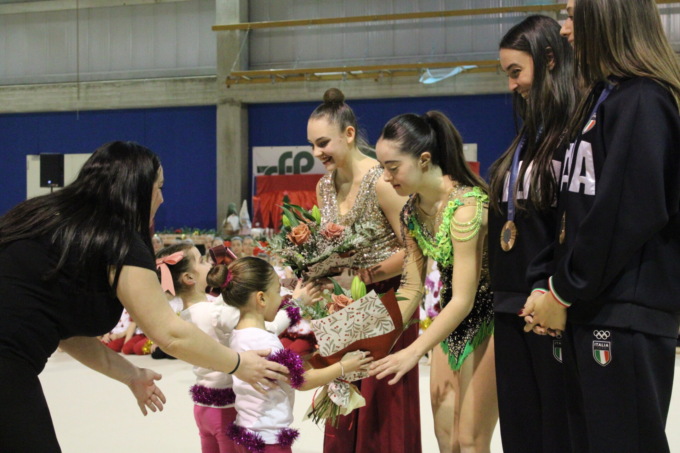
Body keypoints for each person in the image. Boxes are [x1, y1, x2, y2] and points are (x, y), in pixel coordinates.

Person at [0, 141, 289, 452]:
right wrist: (238, 363)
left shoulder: (46, 218)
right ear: (135, 189)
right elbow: (170, 333)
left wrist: (131, 375)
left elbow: (66, 333)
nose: (162, 198)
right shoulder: (118, 239)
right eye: (158, 187)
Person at [522, 1, 680, 451]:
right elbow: (574, 212)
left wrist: (563, 289)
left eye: (572, 14)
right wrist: (547, 280)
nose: (564, 28)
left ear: (606, 16)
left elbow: (625, 214)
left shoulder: (644, 99)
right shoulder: (601, 98)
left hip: (625, 311)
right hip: (591, 306)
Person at [370, 111, 498, 452]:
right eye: (382, 167)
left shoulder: (466, 207)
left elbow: (465, 299)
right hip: (449, 322)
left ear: (424, 160)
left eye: (392, 167)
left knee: (470, 442)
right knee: (446, 440)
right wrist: (366, 333)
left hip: (490, 322)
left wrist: (413, 351)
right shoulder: (411, 212)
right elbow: (411, 289)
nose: (386, 177)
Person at [307, 88, 420, 453]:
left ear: (349, 134)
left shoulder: (382, 181)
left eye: (323, 143)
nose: (316, 153)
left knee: (382, 405)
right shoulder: (324, 187)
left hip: (390, 303)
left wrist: (371, 272)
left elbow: (418, 249)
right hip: (344, 306)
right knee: (344, 396)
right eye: (312, 145)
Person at [488, 15, 576, 453]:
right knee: (520, 436)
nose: (511, 85)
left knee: (557, 435)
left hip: (549, 308)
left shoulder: (577, 133)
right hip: (509, 307)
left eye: (516, 71)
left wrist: (555, 290)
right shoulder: (528, 136)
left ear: (550, 60)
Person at [155, 244, 319, 453]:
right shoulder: (214, 313)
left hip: (203, 408)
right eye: (202, 261)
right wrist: (296, 303)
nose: (210, 263)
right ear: (189, 278)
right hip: (225, 409)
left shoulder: (188, 313)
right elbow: (264, 328)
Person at [206, 257, 373, 453]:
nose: (281, 298)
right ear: (261, 298)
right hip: (269, 441)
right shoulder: (265, 343)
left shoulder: (240, 333)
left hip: (246, 431)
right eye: (278, 292)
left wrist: (298, 302)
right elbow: (303, 381)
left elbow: (274, 325)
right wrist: (344, 366)